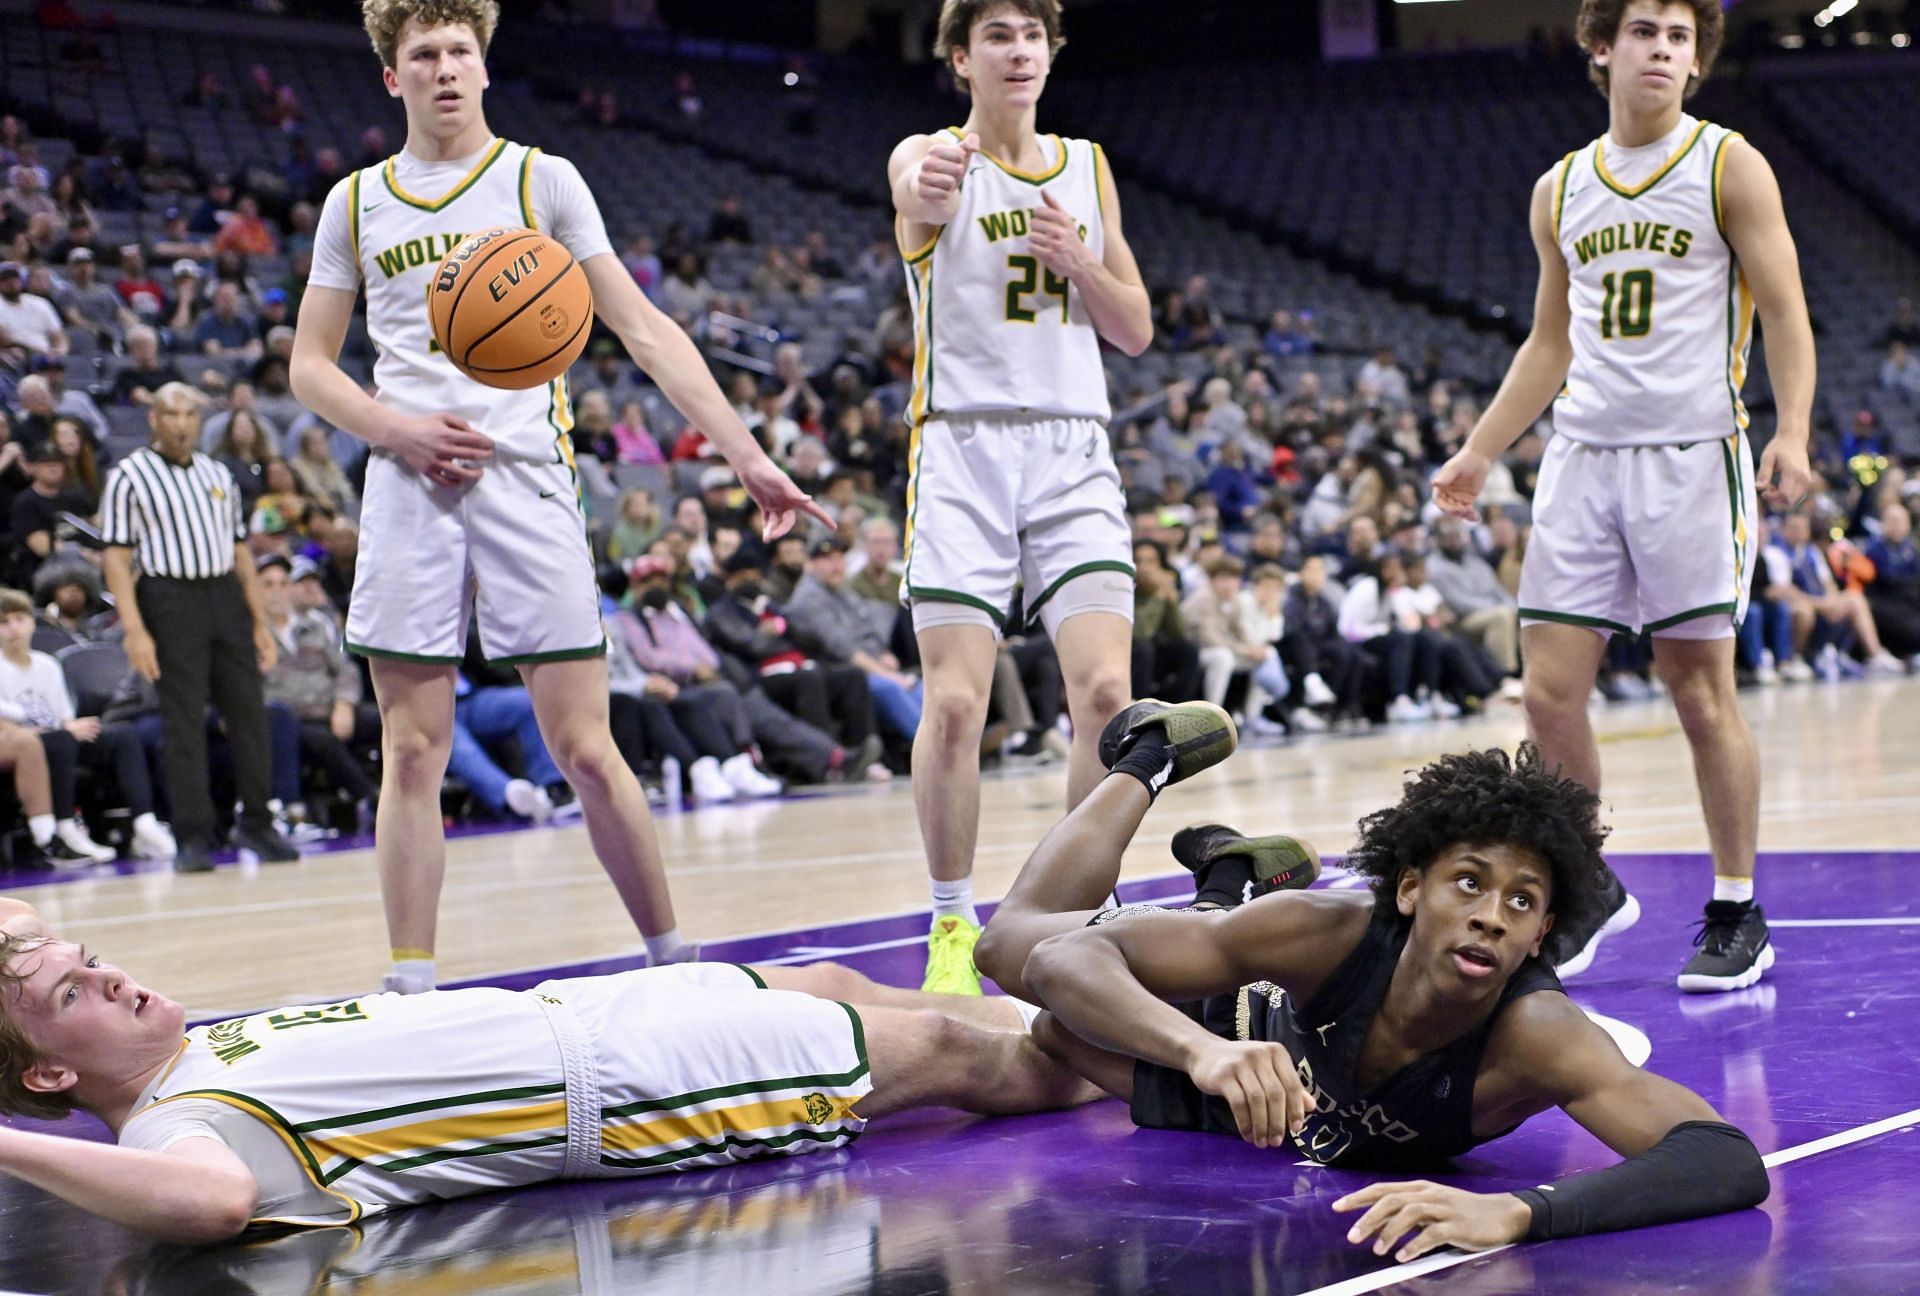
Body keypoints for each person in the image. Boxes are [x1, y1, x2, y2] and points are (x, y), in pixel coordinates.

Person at [288, 0, 828, 994]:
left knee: (584, 743)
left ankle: (674, 961)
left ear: (485, 67)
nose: (445, 68)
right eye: (424, 54)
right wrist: (395, 427)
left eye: (460, 50)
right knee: (411, 751)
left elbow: (647, 329)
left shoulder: (543, 181)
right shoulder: (355, 202)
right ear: (391, 76)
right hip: (408, 485)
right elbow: (310, 368)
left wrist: (748, 455)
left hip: (527, 478)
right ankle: (412, 988)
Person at [974, 701, 1769, 1259]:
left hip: (1281, 1114)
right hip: (1243, 1026)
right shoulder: (1327, 932)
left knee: (1055, 1036)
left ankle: (1227, 878)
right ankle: (1151, 756)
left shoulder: (1538, 1034)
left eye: (1522, 902)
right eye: (1468, 882)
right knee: (1005, 948)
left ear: (1539, 938)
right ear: (1409, 887)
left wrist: (1521, 1214)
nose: (1492, 915)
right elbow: (1056, 963)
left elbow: (1724, 1158)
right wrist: (1198, 1051)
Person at [1430, 0, 1817, 991]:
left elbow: (1784, 308)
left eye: (1679, 38)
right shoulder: (1559, 188)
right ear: (1602, 47)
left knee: (1699, 693)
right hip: (1583, 460)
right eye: (1644, 31)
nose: (1662, 50)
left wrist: (1795, 430)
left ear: (1696, 63)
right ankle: (1586, 884)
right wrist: (1480, 450)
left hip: (1693, 456)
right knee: (1550, 694)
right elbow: (1549, 342)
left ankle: (1737, 907)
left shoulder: (1729, 164)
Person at [0, 914, 1095, 1243]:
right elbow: (212, 1203)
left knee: (833, 980)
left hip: (596, 1009)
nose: (115, 980)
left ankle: (1143, 998)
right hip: (630, 1088)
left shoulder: (200, 1048)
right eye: (74, 996)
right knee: (970, 1061)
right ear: (50, 1070)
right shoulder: (168, 1131)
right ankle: (1201, 1050)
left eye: (91, 962)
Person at [886, 0, 1149, 993]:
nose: (1019, 50)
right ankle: (953, 922)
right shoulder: (930, 155)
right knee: (955, 705)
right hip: (964, 448)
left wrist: (1079, 257)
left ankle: (1070, 912)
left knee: (1109, 698)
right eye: (997, 35)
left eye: (1033, 35)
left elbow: (1135, 328)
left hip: (1074, 446)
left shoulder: (1087, 166)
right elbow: (917, 190)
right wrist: (931, 181)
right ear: (962, 58)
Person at [97, 384, 298, 874]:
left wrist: (259, 622)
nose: (181, 423)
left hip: (225, 595)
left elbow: (241, 554)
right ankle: (192, 833)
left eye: (189, 413)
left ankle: (256, 820)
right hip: (168, 599)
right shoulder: (128, 476)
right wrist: (135, 629)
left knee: (250, 714)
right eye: (171, 414)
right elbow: (118, 559)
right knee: (183, 722)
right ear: (154, 418)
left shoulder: (217, 474)